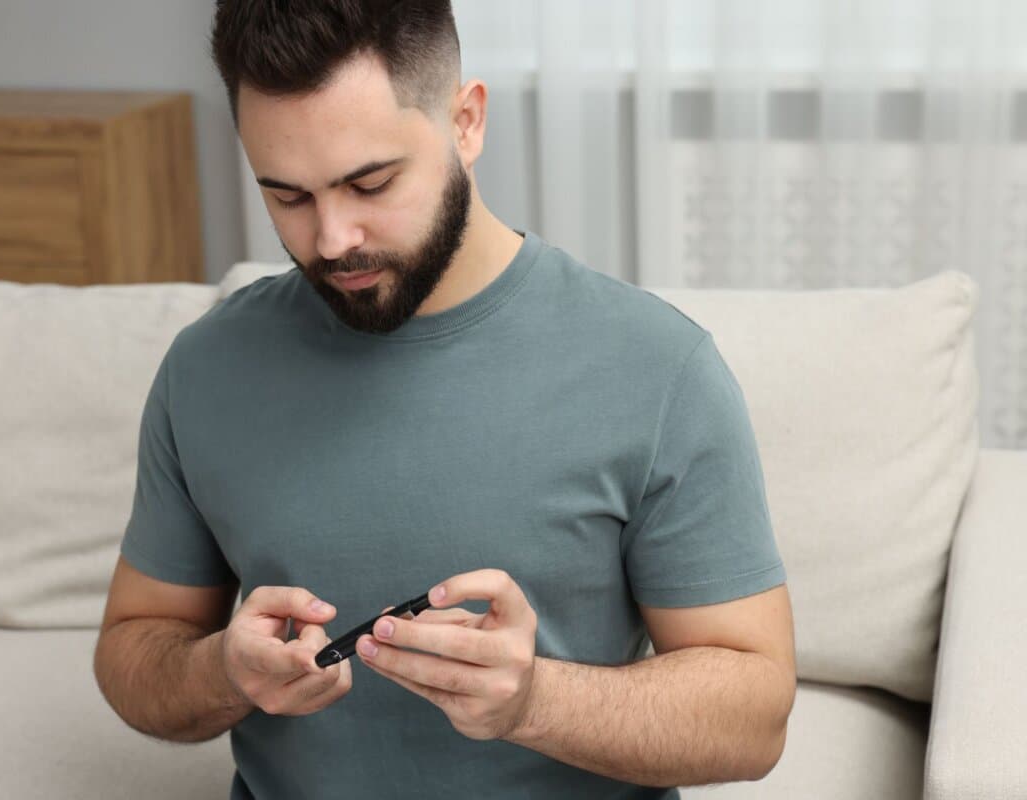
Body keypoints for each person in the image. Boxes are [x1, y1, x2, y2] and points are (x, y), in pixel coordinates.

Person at [93, 2, 796, 798]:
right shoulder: (208, 368)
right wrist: (218, 672)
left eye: (370, 182)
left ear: (466, 122)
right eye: (287, 197)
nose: (331, 239)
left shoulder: (656, 368)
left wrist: (533, 701)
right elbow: (131, 651)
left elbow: (754, 717)